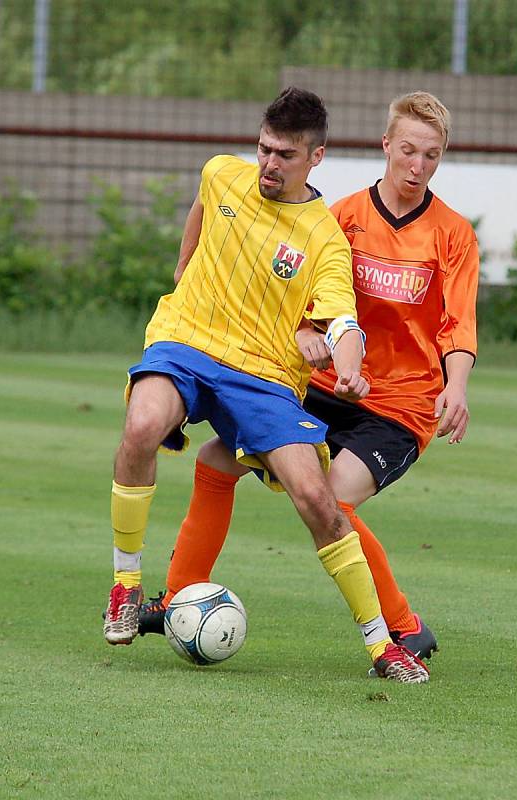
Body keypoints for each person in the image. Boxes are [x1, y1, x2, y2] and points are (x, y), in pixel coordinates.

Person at [138, 91, 479, 674]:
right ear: (386, 147)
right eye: (407, 152)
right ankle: (178, 597)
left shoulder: (452, 234)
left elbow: (458, 321)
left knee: (333, 496)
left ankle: (402, 626)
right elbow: (300, 298)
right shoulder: (339, 219)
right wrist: (304, 335)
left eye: (430, 156)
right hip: (320, 388)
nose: (416, 167)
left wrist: (457, 385)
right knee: (219, 460)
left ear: (441, 158)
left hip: (398, 405)